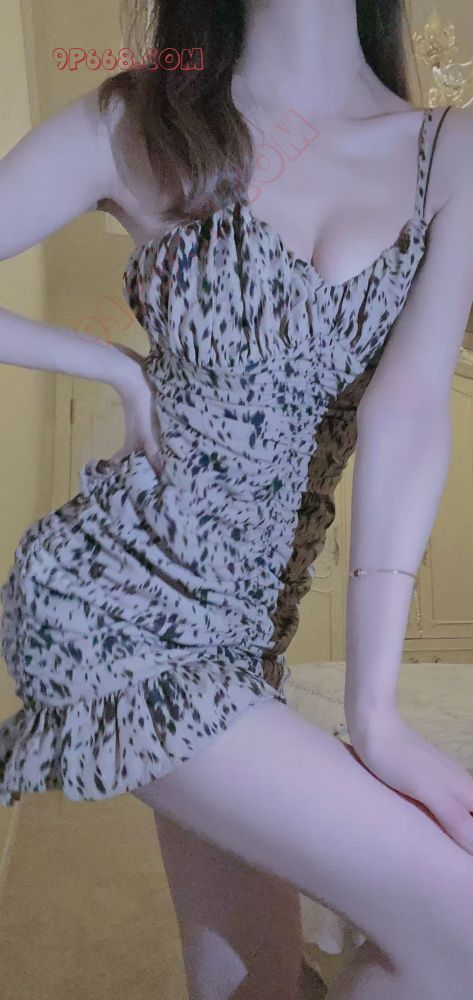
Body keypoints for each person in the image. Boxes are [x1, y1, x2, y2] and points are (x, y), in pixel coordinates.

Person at [1, 0, 473, 997]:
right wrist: (109, 366)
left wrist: (374, 712)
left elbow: (406, 409)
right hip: (116, 606)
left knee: (255, 986)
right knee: (457, 915)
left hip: (247, 634)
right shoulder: (140, 122)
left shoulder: (451, 151)